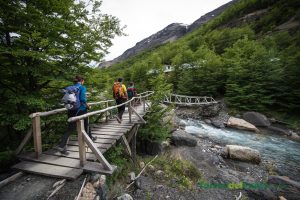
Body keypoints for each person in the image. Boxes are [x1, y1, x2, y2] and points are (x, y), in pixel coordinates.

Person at [57, 75, 96, 154]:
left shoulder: (70, 87)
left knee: (70, 128)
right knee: (86, 124)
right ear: (82, 80)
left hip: (71, 109)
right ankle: (90, 138)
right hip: (81, 109)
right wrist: (87, 105)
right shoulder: (82, 87)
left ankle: (61, 146)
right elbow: (82, 99)